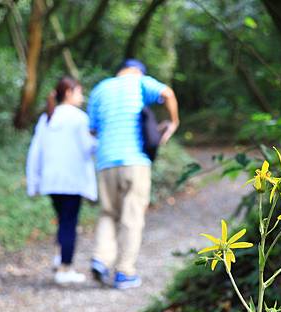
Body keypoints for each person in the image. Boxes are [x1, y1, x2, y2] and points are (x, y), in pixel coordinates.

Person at [88, 59, 179, 289]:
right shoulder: (139, 82)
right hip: (135, 161)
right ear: (138, 70)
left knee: (108, 213)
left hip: (106, 161)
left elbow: (93, 129)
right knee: (132, 215)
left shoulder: (100, 89)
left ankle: (101, 258)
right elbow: (167, 93)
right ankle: (124, 272)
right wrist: (174, 122)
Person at [26, 77, 97, 285]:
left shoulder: (48, 117)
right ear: (68, 92)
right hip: (72, 181)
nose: (82, 97)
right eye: (79, 92)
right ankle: (65, 269)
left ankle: (60, 258)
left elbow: (35, 151)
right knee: (69, 223)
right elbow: (88, 147)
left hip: (51, 180)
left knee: (62, 220)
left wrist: (34, 181)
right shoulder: (80, 118)